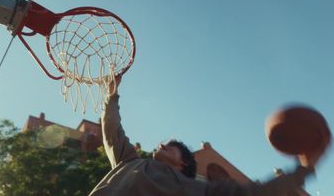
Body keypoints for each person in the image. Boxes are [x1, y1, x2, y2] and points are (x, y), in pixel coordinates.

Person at [89, 78, 326, 196]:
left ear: (183, 162)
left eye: (171, 147)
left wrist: (304, 169)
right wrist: (112, 96)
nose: (161, 145)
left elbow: (254, 193)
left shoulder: (193, 189)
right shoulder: (130, 161)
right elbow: (112, 130)